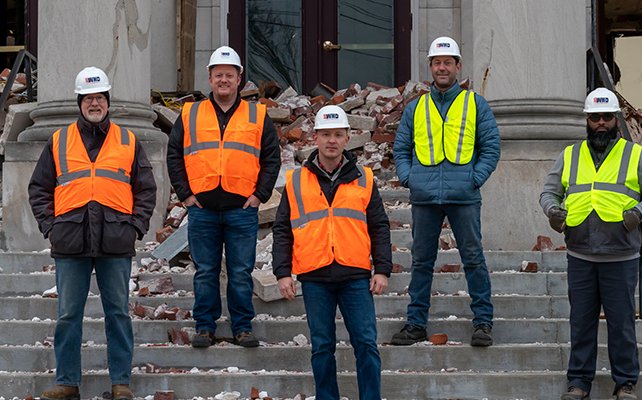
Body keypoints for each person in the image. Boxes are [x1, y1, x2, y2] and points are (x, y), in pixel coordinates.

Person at [29, 67, 157, 400]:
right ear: (80, 102)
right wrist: (50, 227)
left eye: (100, 97)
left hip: (116, 240)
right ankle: (68, 382)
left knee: (118, 313)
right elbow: (39, 188)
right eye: (88, 98)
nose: (95, 103)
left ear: (108, 101)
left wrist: (135, 227)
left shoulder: (128, 140)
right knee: (68, 315)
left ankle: (121, 383)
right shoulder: (59, 140)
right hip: (70, 241)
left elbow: (146, 189)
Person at [540, 88, 642, 400]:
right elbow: (548, 193)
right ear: (587, 120)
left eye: (606, 117)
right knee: (580, 324)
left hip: (620, 255)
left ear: (616, 120)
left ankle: (625, 383)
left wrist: (638, 212)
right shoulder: (569, 156)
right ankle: (579, 383)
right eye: (595, 117)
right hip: (580, 255)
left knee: (621, 326)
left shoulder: (637, 155)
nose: (600, 123)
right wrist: (553, 211)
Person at [272, 105, 392, 400]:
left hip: (354, 275)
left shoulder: (364, 178)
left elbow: (378, 225)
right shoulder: (297, 180)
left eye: (338, 134)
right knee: (322, 347)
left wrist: (382, 269)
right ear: (315, 137)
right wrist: (282, 273)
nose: (331, 141)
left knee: (365, 343)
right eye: (326, 134)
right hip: (314, 275)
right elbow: (282, 230)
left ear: (347, 138)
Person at [166, 46, 280, 348]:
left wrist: (260, 195)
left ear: (240, 78)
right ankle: (205, 326)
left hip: (241, 208)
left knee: (241, 273)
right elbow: (174, 154)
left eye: (230, 75)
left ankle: (242, 327)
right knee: (205, 272)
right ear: (209, 77)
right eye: (219, 75)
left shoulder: (257, 115)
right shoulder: (190, 113)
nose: (224, 80)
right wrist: (186, 195)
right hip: (202, 209)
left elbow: (271, 158)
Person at [391, 36, 501, 347]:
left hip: (463, 195)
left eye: (448, 62)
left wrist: (474, 178)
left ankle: (482, 323)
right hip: (425, 197)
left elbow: (491, 147)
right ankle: (415, 324)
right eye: (437, 63)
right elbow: (401, 148)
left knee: (473, 259)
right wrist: (408, 177)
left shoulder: (475, 104)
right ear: (430, 67)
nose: (442, 67)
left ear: (458, 67)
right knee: (421, 261)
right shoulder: (416, 108)